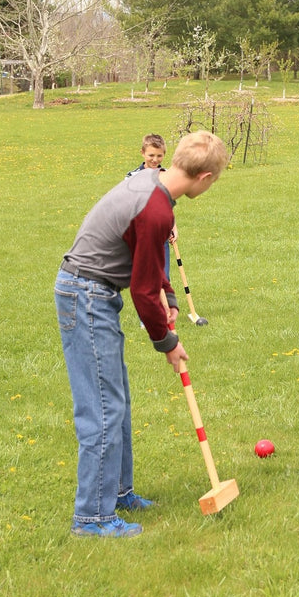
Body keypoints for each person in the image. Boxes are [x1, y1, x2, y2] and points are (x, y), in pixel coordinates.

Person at [55, 130, 228, 538]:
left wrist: (170, 295)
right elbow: (142, 289)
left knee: (116, 400)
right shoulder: (155, 208)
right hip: (86, 294)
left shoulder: (154, 185)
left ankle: (117, 493)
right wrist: (168, 342)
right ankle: (91, 518)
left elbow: (148, 268)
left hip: (93, 291)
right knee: (102, 407)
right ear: (203, 178)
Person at [127, 133, 176, 278]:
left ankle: (164, 301)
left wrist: (173, 227)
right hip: (141, 236)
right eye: (151, 155)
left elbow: (169, 204)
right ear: (142, 153)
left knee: (163, 278)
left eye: (159, 156)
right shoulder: (132, 177)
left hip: (161, 235)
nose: (155, 160)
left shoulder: (166, 175)